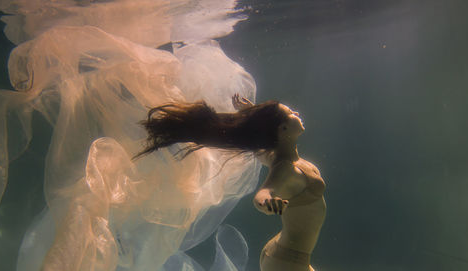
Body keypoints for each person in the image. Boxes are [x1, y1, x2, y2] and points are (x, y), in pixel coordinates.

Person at [137, 94, 326, 271]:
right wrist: (267, 202)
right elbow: (264, 193)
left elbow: (260, 142)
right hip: (288, 261)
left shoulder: (274, 156)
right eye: (291, 114)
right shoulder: (285, 169)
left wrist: (250, 113)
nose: (297, 114)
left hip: (286, 255)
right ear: (283, 129)